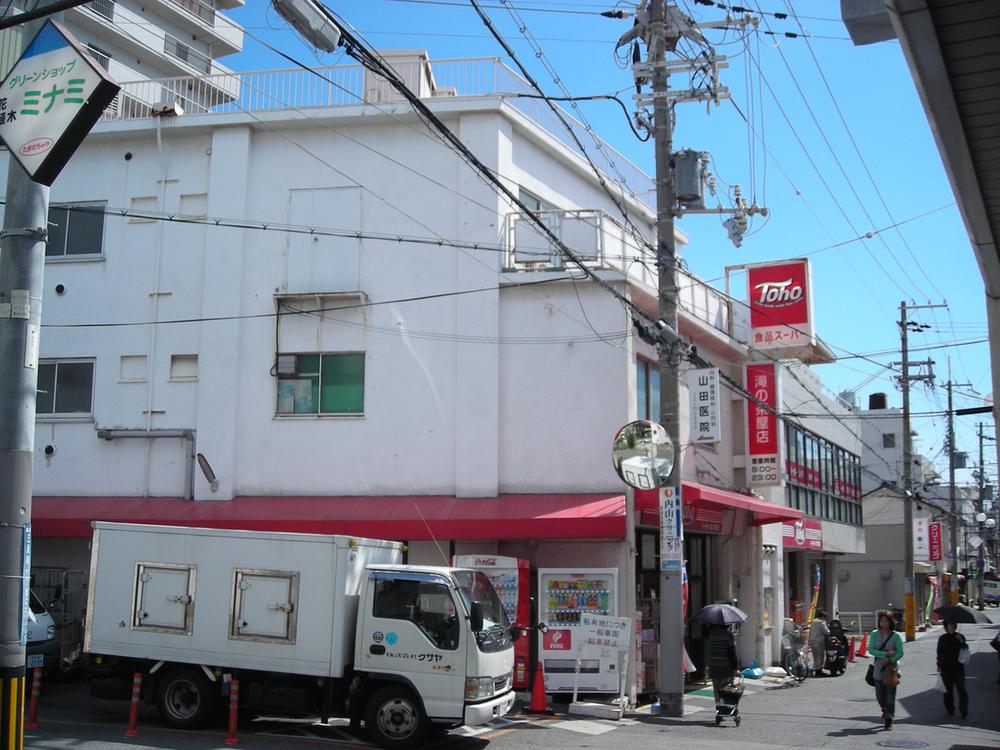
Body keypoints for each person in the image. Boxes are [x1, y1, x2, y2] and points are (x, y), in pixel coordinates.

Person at [869, 610, 904, 731]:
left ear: (891, 622)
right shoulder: (874, 634)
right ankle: (885, 709)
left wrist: (890, 659)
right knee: (879, 695)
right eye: (882, 621)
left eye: (886, 621)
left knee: (890, 695)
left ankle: (889, 719)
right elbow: (871, 650)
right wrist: (885, 654)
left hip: (892, 668)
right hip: (879, 668)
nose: (884, 623)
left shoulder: (896, 636)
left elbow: (900, 652)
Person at [936, 620, 969, 718]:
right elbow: (939, 653)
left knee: (961, 689)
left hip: (958, 668)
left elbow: (965, 649)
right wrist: (939, 665)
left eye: (953, 624)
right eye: (949, 625)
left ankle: (964, 710)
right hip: (946, 668)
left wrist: (962, 642)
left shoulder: (960, 636)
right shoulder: (942, 638)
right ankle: (950, 709)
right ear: (946, 626)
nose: (952, 626)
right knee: (947, 690)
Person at [706, 624, 739, 703]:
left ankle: (718, 707)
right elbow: (732, 653)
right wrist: (735, 668)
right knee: (725, 689)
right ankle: (724, 707)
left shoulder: (711, 634)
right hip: (726, 667)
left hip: (714, 666)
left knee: (716, 689)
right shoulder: (729, 635)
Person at [809, 610, 830, 676]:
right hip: (819, 642)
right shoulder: (822, 622)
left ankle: (816, 669)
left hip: (812, 641)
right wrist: (830, 632)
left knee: (815, 657)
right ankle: (819, 671)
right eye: (825, 617)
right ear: (823, 617)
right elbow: (826, 632)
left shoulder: (813, 622)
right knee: (820, 657)